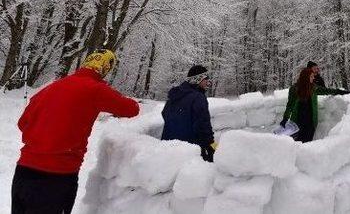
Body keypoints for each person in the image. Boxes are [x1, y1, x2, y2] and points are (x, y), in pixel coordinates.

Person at [12, 49, 140, 214]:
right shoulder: (96, 90)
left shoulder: (51, 87)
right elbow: (131, 109)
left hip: (24, 172)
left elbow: (23, 123)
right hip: (57, 177)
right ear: (105, 68)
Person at [162, 65, 217, 162]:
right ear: (198, 79)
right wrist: (213, 146)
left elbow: (165, 114)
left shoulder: (175, 95)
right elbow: (203, 127)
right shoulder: (198, 97)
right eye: (206, 78)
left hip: (166, 148)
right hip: (189, 151)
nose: (208, 82)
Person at [280, 67, 350, 143]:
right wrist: (285, 119)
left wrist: (339, 91)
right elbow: (290, 105)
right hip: (297, 122)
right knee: (297, 144)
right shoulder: (294, 89)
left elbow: (326, 90)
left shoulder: (314, 88)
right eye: (311, 76)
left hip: (310, 123)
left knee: (307, 143)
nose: (313, 78)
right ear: (305, 77)